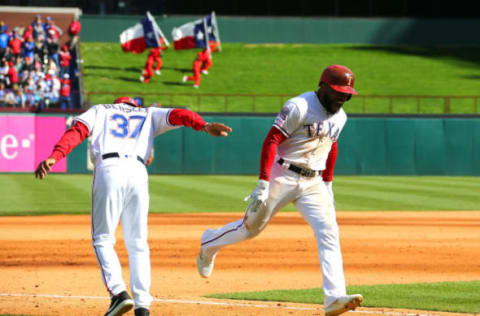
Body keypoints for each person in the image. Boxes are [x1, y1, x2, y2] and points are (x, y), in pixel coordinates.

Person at [35, 97, 232, 316]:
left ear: (117, 103)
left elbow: (78, 130)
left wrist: (56, 156)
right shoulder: (147, 113)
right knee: (138, 243)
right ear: (133, 106)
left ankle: (118, 294)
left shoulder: (101, 110)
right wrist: (203, 125)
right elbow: (179, 114)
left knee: (102, 238)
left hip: (109, 168)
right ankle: (142, 306)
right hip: (138, 172)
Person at [196, 64, 363, 316]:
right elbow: (272, 139)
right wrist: (263, 181)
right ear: (324, 87)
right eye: (338, 91)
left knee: (329, 231)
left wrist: (327, 183)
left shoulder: (341, 117)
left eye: (346, 93)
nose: (342, 97)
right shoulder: (299, 106)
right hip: (282, 175)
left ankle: (334, 297)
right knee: (250, 229)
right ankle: (209, 243)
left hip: (313, 182)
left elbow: (331, 146)